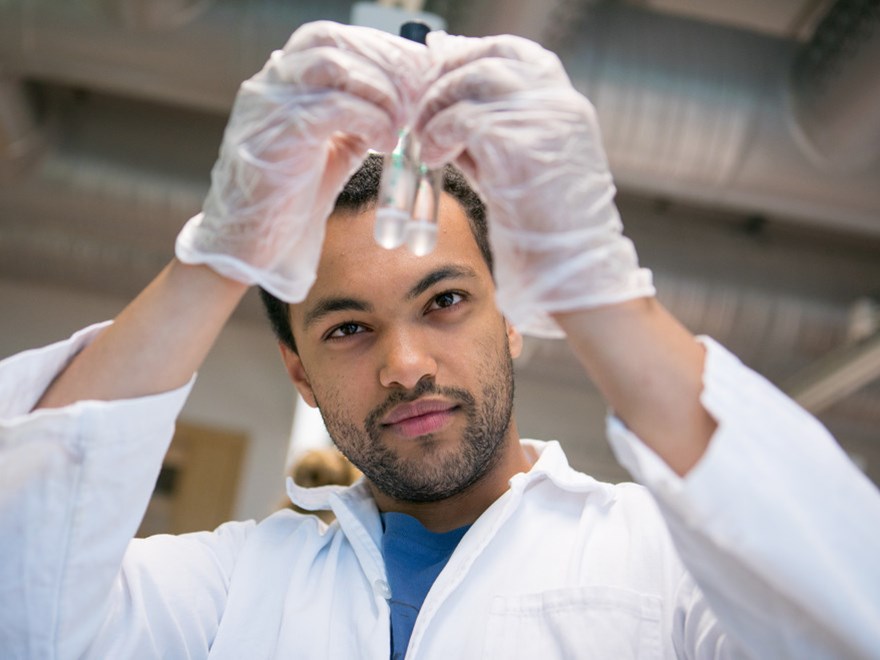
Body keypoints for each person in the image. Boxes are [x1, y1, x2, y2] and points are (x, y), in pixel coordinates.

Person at [1, 20, 878, 660]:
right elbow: (25, 613)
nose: (406, 364)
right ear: (298, 373)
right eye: (348, 328)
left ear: (513, 322)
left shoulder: (654, 560)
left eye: (446, 300)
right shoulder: (237, 586)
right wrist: (219, 255)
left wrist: (593, 283)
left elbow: (853, 615)